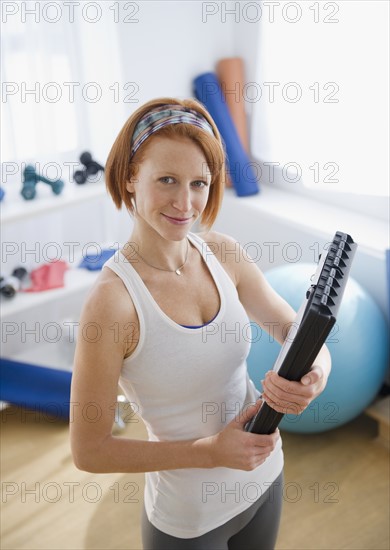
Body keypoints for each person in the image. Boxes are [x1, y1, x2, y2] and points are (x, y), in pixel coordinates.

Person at [70, 97, 331, 550]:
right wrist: (207, 454)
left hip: (264, 477)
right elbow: (88, 450)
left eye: (199, 183)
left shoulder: (224, 254)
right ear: (131, 178)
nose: (185, 202)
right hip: (188, 517)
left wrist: (317, 376)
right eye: (167, 179)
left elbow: (297, 332)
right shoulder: (112, 303)